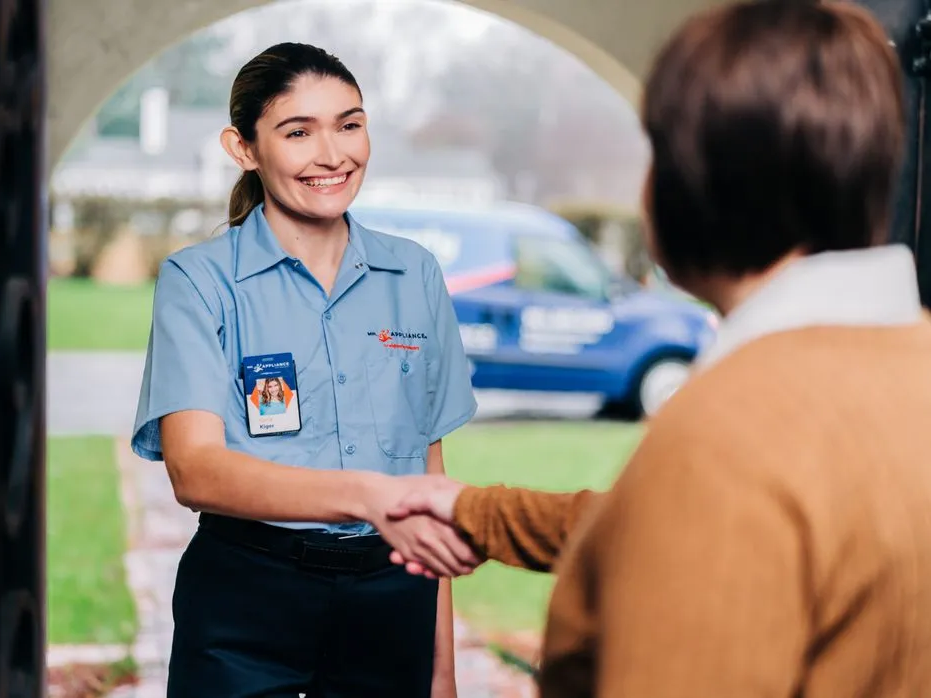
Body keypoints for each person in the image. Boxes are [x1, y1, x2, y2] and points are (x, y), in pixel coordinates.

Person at [389, 2, 931, 696]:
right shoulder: (898, 362)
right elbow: (675, 529)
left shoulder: (733, 432)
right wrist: (477, 512)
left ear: (697, 178)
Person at [130, 42, 480, 698]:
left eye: (350, 124)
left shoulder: (416, 275)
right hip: (246, 597)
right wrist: (367, 495)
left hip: (392, 594)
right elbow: (195, 470)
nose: (333, 154)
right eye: (298, 132)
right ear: (244, 148)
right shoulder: (199, 281)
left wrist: (441, 673)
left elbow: (428, 474)